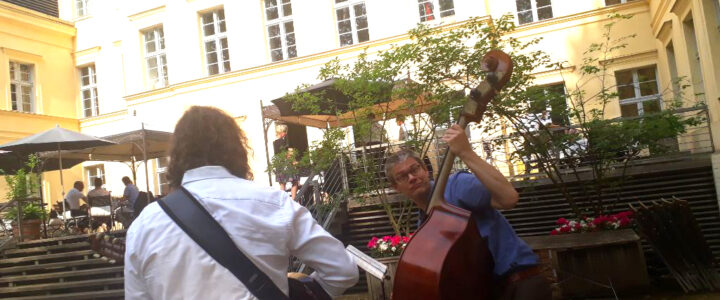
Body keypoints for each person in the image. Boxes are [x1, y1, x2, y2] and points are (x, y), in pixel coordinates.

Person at [125, 106, 358, 299]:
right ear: (236, 150)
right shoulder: (274, 204)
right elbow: (343, 271)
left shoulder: (144, 224)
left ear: (176, 157)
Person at [384, 124, 551, 300]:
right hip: (489, 292)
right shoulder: (424, 225)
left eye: (415, 169)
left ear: (425, 170)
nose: (412, 177)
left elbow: (508, 198)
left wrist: (466, 152)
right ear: (396, 187)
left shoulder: (457, 185)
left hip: (520, 286)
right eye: (403, 176)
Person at [272, 124, 300, 200]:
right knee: (295, 182)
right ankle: (294, 200)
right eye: (285, 131)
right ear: (283, 132)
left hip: (280, 165)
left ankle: (284, 201)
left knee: (282, 184)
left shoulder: (275, 143)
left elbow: (277, 154)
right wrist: (294, 161)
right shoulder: (287, 140)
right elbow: (290, 153)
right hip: (288, 164)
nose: (286, 133)